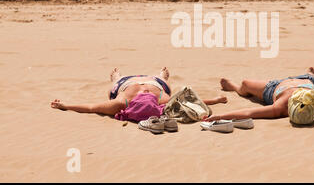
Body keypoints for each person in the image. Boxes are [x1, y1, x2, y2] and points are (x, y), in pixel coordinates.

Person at [50, 67, 227, 121]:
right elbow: (192, 103)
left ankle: (116, 77)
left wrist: (66, 105)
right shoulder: (161, 99)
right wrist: (216, 100)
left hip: (125, 82)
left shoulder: (121, 102)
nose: (145, 95)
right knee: (164, 82)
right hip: (154, 82)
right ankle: (161, 75)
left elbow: (90, 108)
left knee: (115, 84)